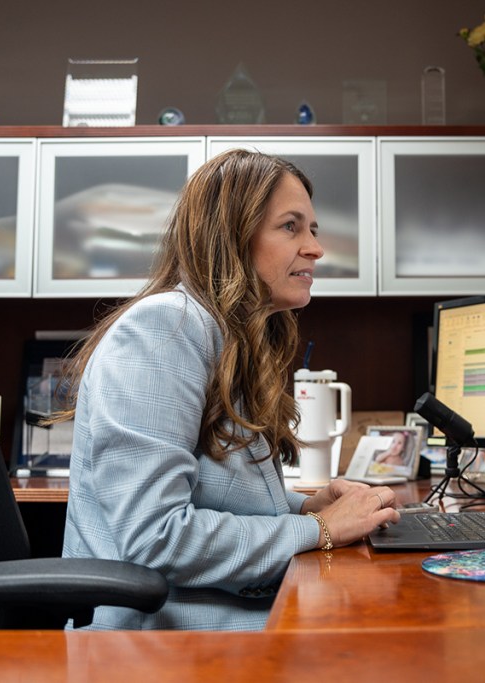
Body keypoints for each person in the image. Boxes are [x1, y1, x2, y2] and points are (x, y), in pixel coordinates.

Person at [59, 149, 400, 631]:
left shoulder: (226, 340)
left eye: (314, 229)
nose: (315, 248)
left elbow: (213, 488)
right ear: (233, 237)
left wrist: (306, 505)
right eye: (291, 227)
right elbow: (158, 538)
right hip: (154, 641)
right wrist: (321, 530)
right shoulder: (162, 331)